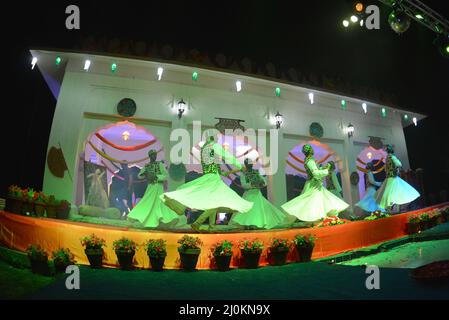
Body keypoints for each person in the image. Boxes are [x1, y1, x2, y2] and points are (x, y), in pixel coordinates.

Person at [162, 134, 253, 231]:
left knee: (213, 202)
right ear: (214, 140)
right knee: (216, 202)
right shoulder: (214, 146)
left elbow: (212, 165)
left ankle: (211, 226)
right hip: (213, 178)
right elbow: (227, 156)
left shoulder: (204, 149)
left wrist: (223, 172)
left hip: (208, 176)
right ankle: (198, 222)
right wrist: (238, 165)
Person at [281, 144, 349, 222]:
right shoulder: (310, 161)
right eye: (311, 149)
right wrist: (327, 170)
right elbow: (316, 174)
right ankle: (315, 219)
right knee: (312, 202)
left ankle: (319, 218)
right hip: (313, 185)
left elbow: (315, 170)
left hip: (315, 184)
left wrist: (322, 168)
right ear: (310, 151)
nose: (313, 150)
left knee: (319, 201)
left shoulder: (308, 160)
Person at [230, 159, 296, 229]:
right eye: (248, 163)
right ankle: (248, 225)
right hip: (249, 194)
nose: (250, 165)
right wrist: (253, 185)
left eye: (250, 163)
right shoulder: (244, 174)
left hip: (257, 193)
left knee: (258, 210)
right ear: (246, 164)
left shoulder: (255, 172)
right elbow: (244, 185)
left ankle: (256, 224)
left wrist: (261, 184)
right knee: (249, 210)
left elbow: (263, 181)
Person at [128, 150, 187, 229]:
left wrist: (157, 177)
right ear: (150, 156)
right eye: (152, 155)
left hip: (158, 186)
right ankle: (142, 218)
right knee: (147, 202)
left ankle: (161, 219)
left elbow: (165, 175)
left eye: (155, 155)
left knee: (159, 203)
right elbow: (140, 175)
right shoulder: (147, 165)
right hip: (150, 186)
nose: (154, 156)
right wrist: (145, 175)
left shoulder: (159, 164)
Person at [375, 144, 420, 212]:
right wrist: (397, 168)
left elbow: (386, 169)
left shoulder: (387, 158)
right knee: (400, 193)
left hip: (388, 179)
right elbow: (399, 164)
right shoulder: (392, 157)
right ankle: (397, 209)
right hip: (393, 178)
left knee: (390, 194)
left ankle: (393, 208)